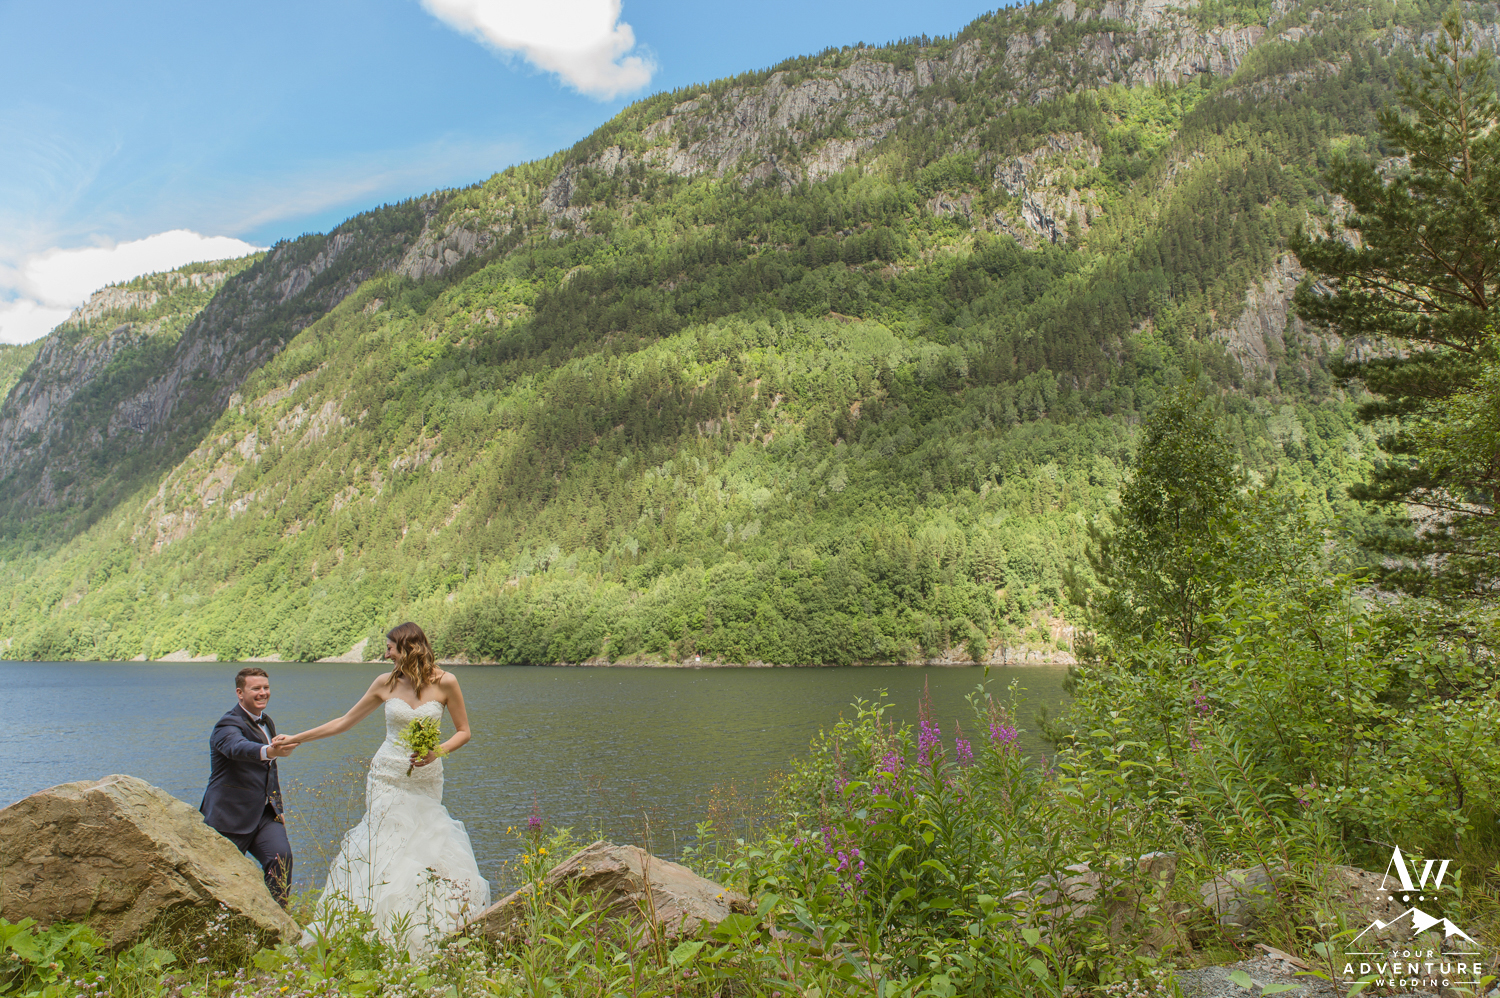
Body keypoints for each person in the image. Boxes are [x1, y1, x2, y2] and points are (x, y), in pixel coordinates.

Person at [279, 622, 490, 953]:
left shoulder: (446, 681)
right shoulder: (385, 683)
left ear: (408, 647)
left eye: (390, 647)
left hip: (426, 777)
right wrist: (296, 739)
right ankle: (371, 929)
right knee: (386, 844)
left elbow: (464, 731)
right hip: (386, 776)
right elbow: (343, 722)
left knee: (426, 843)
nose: (386, 652)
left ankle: (426, 928)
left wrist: (437, 751)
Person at [201, 666, 297, 905]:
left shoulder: (267, 722)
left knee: (281, 858)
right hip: (229, 817)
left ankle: (279, 922)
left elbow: (270, 770)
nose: (263, 693)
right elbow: (237, 748)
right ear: (239, 693)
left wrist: (278, 808)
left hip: (264, 814)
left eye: (266, 687)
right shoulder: (226, 725)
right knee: (220, 880)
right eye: (256, 688)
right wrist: (269, 750)